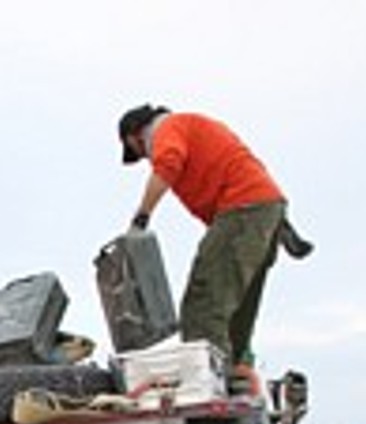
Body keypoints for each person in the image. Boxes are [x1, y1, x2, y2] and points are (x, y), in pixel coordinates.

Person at [118, 104, 308, 395]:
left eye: (140, 152)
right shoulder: (192, 126)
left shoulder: (166, 129)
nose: (145, 157)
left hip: (244, 210)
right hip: (265, 212)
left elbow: (168, 163)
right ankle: (237, 373)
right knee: (237, 304)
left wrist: (141, 218)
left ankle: (205, 385)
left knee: (204, 302)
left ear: (134, 136)